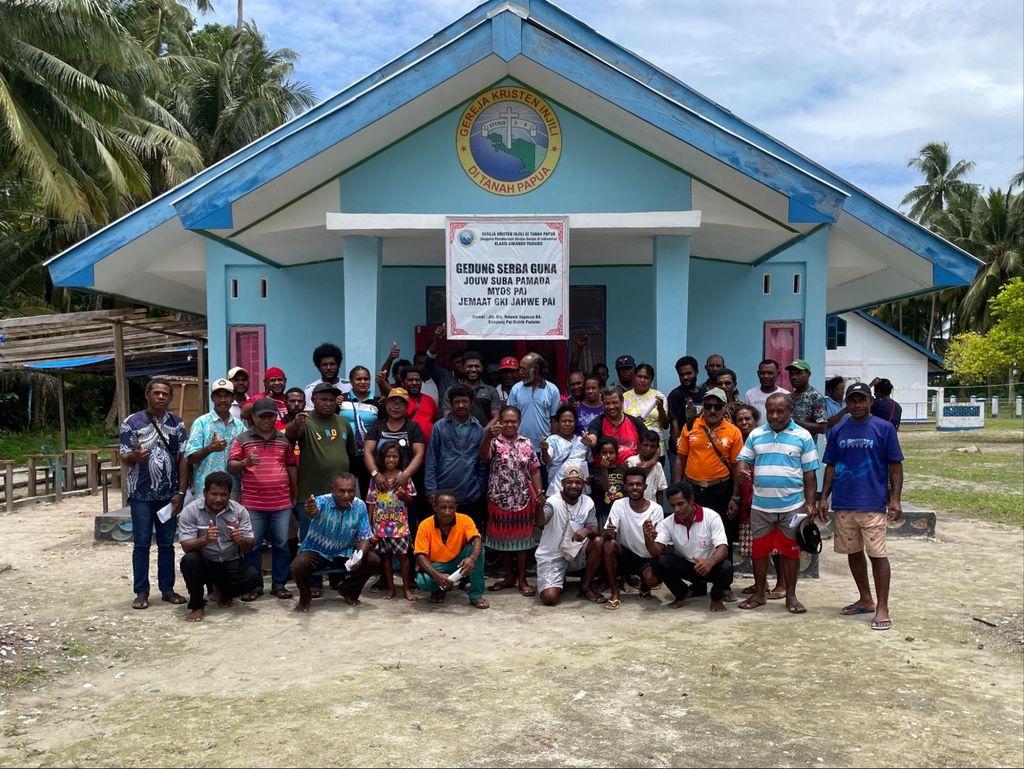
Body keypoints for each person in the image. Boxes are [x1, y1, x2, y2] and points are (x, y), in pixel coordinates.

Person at [818, 382, 904, 631]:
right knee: (853, 552)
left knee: (877, 554)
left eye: (861, 400)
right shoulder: (838, 430)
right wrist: (824, 497)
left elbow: (895, 464)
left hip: (872, 502)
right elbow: (831, 465)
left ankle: (882, 607)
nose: (856, 405)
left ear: (870, 402)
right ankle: (866, 599)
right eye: (852, 400)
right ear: (847, 403)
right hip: (844, 502)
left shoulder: (884, 428)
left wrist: (895, 499)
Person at [736, 393, 819, 614]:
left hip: (792, 507)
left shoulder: (803, 436)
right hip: (761, 507)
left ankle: (791, 596)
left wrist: (810, 504)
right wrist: (742, 470)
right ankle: (760, 594)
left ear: (790, 411)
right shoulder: (756, 434)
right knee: (759, 552)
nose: (774, 415)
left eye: (780, 410)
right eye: (770, 410)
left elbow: (810, 474)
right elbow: (743, 459)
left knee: (790, 553)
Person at [119, 378, 189, 610]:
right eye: (156, 393)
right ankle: (141, 592)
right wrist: (134, 458)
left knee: (167, 544)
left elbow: (182, 459)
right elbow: (125, 456)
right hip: (141, 495)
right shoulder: (132, 422)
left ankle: (167, 590)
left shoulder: (177, 424)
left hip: (168, 497)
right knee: (141, 543)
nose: (161, 397)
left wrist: (180, 491)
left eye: (165, 394)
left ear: (170, 398)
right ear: (147, 394)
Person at [285, 382, 357, 601]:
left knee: (341, 538)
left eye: (331, 400)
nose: (327, 403)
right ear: (313, 400)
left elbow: (351, 454)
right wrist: (296, 424)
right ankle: (313, 581)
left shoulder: (344, 423)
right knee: (310, 541)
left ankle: (338, 579)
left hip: (341, 497)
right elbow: (290, 436)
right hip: (311, 494)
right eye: (322, 399)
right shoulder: (305, 422)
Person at [674, 387, 742, 599]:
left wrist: (735, 497)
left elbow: (737, 466)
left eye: (717, 406)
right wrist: (677, 488)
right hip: (694, 489)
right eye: (708, 405)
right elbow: (680, 458)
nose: (712, 410)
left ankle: (724, 585)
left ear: (724, 407)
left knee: (724, 536)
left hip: (721, 489)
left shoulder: (733, 431)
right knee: (695, 536)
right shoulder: (690, 426)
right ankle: (699, 583)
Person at [228, 398, 297, 601]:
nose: (266, 419)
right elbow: (231, 465)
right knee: (253, 545)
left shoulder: (283, 440)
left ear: (276, 417)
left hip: (281, 502)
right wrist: (245, 462)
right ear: (254, 417)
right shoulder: (242, 439)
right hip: (253, 504)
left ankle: (279, 585)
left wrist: (295, 491)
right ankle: (254, 586)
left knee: (281, 545)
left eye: (271, 415)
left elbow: (291, 465)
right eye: (262, 416)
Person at [177, 472, 261, 622]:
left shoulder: (240, 511)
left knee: (252, 578)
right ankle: (197, 605)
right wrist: (205, 539)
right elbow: (186, 546)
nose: (218, 499)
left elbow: (249, 546)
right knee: (190, 561)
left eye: (223, 494)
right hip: (205, 562)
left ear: (230, 494)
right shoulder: (190, 511)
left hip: (229, 561)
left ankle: (221, 589)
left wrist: (241, 540)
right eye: (213, 494)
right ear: (204, 493)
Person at [290, 474, 381, 612]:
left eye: (350, 491)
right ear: (333, 489)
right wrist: (310, 510)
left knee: (373, 560)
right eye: (341, 491)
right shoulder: (322, 501)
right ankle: (305, 596)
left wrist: (359, 556)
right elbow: (312, 510)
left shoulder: (360, 506)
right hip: (317, 551)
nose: (346, 495)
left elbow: (364, 537)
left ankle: (348, 590)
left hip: (344, 551)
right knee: (297, 566)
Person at [480, 406, 543, 596]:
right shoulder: (493, 442)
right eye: (505, 421)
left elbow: (534, 469)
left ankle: (522, 579)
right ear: (500, 421)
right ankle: (509, 577)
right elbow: (483, 457)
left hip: (523, 496)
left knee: (523, 542)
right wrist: (487, 437)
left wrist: (539, 492)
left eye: (513, 421)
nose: (509, 424)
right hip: (499, 497)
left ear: (519, 422)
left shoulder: (526, 443)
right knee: (504, 540)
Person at [647, 482, 734, 611]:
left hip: (710, 567)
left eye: (680, 504)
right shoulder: (667, 523)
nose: (676, 509)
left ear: (691, 500)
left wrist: (710, 562)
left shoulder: (711, 516)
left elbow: (723, 548)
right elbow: (656, 552)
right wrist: (648, 539)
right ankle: (681, 594)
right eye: (672, 505)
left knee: (726, 567)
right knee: (658, 561)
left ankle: (716, 598)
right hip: (687, 567)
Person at [733, 404, 786, 600]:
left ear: (756, 421)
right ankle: (760, 584)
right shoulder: (736, 441)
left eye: (748, 419)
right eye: (740, 420)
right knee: (757, 546)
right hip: (748, 501)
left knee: (775, 545)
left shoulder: (766, 439)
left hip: (769, 499)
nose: (744, 423)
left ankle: (781, 584)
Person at [535, 464, 606, 605]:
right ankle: (558, 581)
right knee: (549, 598)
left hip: (576, 553)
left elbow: (594, 528)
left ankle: (585, 586)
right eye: (569, 482)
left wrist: (586, 530)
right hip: (553, 556)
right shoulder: (552, 502)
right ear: (562, 484)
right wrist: (538, 507)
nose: (574, 485)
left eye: (578, 482)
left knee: (598, 541)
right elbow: (540, 522)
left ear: (583, 484)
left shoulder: (587, 502)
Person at [425, 384, 487, 532]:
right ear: (451, 404)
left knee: (470, 535)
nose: (461, 405)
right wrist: (430, 490)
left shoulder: (479, 430)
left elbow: (482, 463)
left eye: (464, 401)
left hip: (471, 494)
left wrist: (480, 488)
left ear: (471, 404)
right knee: (444, 534)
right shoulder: (439, 427)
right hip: (443, 492)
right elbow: (431, 459)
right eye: (457, 402)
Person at [602, 467, 665, 609]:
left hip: (647, 558)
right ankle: (614, 593)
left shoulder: (656, 509)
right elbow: (609, 533)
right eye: (630, 484)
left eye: (638, 484)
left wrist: (649, 536)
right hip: (626, 555)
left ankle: (644, 583)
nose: (635, 487)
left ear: (645, 486)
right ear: (625, 487)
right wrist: (609, 533)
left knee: (652, 581)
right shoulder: (619, 504)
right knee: (608, 544)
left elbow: (658, 549)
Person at [414, 490, 488, 609]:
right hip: (436, 565)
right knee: (424, 582)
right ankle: (440, 588)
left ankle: (475, 594)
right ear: (434, 507)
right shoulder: (425, 525)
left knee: (478, 551)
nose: (447, 512)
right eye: (443, 507)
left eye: (451, 508)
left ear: (456, 508)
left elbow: (477, 539)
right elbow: (420, 555)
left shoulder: (465, 519)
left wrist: (472, 558)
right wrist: (437, 576)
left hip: (458, 562)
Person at [366, 440, 417, 602]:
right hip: (381, 526)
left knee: (403, 556)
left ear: (400, 458)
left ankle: (406, 588)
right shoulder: (376, 479)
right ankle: (390, 588)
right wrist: (369, 523)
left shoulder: (404, 477)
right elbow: (371, 502)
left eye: (395, 456)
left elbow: (410, 500)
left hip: (399, 526)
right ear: (382, 458)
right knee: (385, 557)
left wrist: (403, 495)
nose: (391, 459)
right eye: (387, 456)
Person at [184, 378, 246, 498]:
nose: (222, 400)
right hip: (205, 490)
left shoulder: (240, 426)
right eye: (218, 396)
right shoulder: (201, 423)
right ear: (212, 398)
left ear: (232, 398)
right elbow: (190, 459)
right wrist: (210, 448)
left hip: (231, 490)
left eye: (227, 396)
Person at [507, 353, 561, 456]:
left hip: (544, 448)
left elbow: (554, 420)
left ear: (535, 370)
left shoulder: (552, 390)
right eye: (520, 369)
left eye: (524, 369)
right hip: (519, 447)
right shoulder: (516, 389)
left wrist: (552, 445)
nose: (520, 372)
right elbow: (509, 419)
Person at [338, 365, 379, 496]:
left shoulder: (377, 402)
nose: (363, 382)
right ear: (351, 381)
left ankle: (365, 516)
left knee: (367, 491)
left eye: (366, 379)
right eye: (358, 379)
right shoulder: (341, 399)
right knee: (344, 489)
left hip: (367, 454)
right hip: (345, 452)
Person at [541, 404, 591, 496]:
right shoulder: (552, 440)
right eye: (564, 421)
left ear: (575, 422)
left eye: (570, 421)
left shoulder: (582, 441)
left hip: (579, 490)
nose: (567, 424)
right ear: (558, 423)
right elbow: (546, 460)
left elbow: (590, 462)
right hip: (557, 489)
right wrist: (544, 449)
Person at [441, 350, 500, 428]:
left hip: (485, 437)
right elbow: (447, 416)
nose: (473, 369)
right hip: (458, 437)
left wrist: (481, 434)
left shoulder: (491, 391)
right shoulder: (451, 391)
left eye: (477, 366)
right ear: (462, 367)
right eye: (469, 366)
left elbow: (496, 417)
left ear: (482, 367)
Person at [623, 363, 669, 456]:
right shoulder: (624, 397)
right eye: (639, 376)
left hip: (655, 447)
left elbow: (665, 425)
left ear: (651, 380)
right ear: (634, 377)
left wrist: (660, 408)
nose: (642, 380)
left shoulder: (659, 396)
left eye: (646, 377)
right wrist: (635, 423)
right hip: (631, 447)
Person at [667, 356, 705, 454]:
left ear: (696, 372)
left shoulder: (705, 393)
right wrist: (678, 449)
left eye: (689, 373)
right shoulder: (675, 395)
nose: (685, 377)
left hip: (701, 445)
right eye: (681, 375)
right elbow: (674, 425)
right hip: (682, 447)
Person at [786, 359, 828, 437]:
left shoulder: (816, 397)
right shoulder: (787, 397)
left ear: (809, 374)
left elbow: (822, 428)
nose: (794, 377)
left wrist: (794, 422)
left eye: (798, 373)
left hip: (806, 447)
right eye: (791, 374)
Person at [625, 430, 668, 505]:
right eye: (645, 445)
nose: (648, 449)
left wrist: (660, 510)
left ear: (657, 448)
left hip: (652, 507)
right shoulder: (631, 461)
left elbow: (659, 491)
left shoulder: (658, 466)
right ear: (639, 445)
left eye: (652, 446)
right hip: (631, 506)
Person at [303, 342, 351, 409]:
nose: (328, 368)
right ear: (318, 367)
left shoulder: (349, 386)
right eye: (325, 365)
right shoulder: (310, 389)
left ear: (338, 365)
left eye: (332, 364)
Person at [591, 436, 625, 530]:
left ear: (617, 454)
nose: (608, 456)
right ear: (599, 455)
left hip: (622, 511)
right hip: (604, 510)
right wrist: (604, 469)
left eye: (611, 452)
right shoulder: (597, 472)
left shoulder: (622, 470)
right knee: (606, 538)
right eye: (604, 453)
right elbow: (605, 488)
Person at [744, 359, 789, 426]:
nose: (766, 376)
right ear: (758, 374)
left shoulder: (786, 395)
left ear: (778, 374)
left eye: (770, 373)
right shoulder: (750, 394)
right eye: (762, 373)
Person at [402, 367, 439, 445]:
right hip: (405, 447)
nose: (415, 383)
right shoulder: (398, 400)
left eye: (418, 380)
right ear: (403, 382)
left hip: (429, 449)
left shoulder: (429, 400)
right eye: (410, 380)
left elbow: (437, 423)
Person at [824, 375, 849, 442]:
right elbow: (828, 423)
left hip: (848, 441)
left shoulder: (846, 402)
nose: (842, 392)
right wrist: (844, 411)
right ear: (831, 390)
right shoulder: (826, 403)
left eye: (843, 389)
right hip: (834, 441)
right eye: (838, 389)